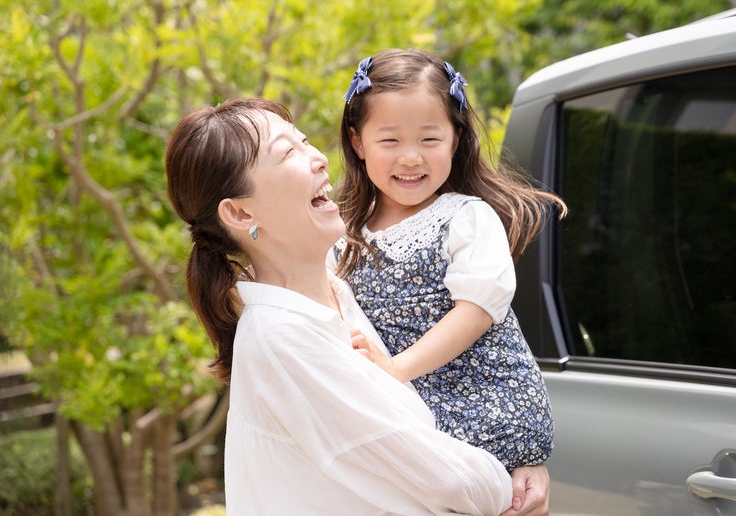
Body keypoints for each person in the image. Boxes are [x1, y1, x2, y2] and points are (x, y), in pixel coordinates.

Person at [165, 97, 550, 515]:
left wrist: (521, 462)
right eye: (288, 153)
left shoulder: (343, 293)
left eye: (305, 140)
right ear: (240, 213)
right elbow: (450, 481)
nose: (318, 159)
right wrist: (510, 482)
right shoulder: (283, 339)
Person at [331, 49, 567, 473]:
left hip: (487, 410)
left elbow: (475, 313)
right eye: (390, 140)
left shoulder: (466, 217)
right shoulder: (342, 233)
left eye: (429, 139)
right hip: (410, 417)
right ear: (357, 141)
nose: (410, 157)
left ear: (455, 140)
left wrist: (394, 369)